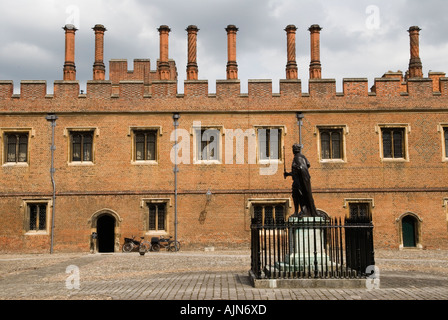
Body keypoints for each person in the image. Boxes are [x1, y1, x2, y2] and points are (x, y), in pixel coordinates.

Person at [284, 143, 319, 217]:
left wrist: (298, 168)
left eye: (294, 149)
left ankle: (304, 211)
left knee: (300, 195)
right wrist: (288, 174)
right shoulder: (302, 157)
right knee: (296, 195)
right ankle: (297, 212)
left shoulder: (297, 158)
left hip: (299, 181)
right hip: (298, 180)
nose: (293, 150)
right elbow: (307, 164)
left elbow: (301, 168)